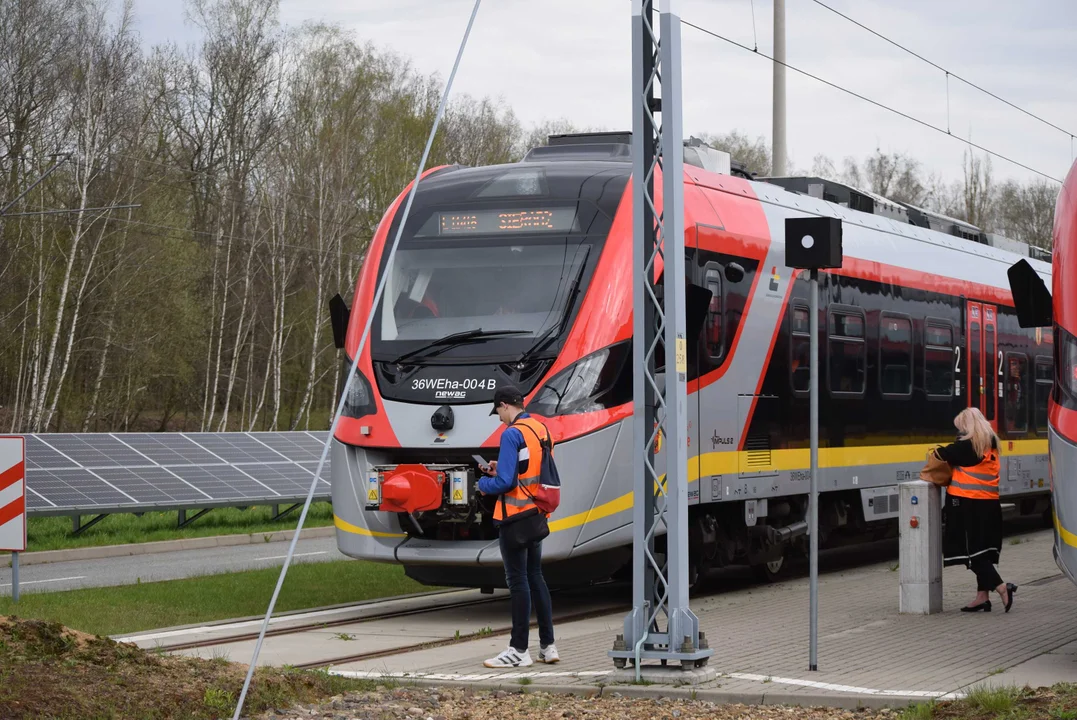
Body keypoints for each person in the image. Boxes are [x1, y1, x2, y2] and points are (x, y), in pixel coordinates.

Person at [477, 385, 559, 668]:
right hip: (536, 515)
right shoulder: (540, 429)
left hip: (514, 518)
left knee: (518, 581)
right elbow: (529, 467)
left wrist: (483, 484)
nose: (499, 418)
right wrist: (500, 465)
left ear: (504, 405)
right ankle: (548, 646)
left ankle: (518, 650)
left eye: (498, 412)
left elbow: (506, 483)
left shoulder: (511, 433)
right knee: (536, 576)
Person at [935, 407, 1018, 613]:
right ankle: (982, 597)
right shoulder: (990, 444)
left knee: (971, 553)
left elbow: (940, 454)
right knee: (983, 551)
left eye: (961, 428)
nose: (959, 432)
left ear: (967, 426)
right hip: (988, 506)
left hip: (967, 506)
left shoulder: (966, 447)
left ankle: (1002, 588)